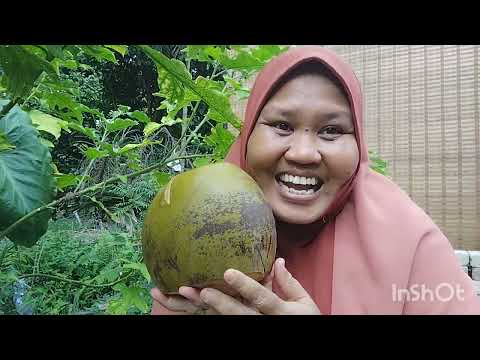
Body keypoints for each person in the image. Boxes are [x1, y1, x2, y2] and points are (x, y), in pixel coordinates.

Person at [150, 46, 480, 315]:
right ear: (248, 133)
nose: (304, 153)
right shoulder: (191, 226)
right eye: (281, 125)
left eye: (331, 130)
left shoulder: (409, 243)